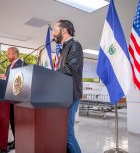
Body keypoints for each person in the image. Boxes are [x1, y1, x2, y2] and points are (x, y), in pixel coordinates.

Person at [52, 20, 83, 153]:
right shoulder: (64, 47)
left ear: (63, 30)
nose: (53, 33)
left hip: (71, 95)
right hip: (63, 95)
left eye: (55, 29)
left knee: (67, 133)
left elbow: (70, 68)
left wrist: (51, 73)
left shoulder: (75, 46)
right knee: (63, 132)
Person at [0, 47, 26, 152]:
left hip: (18, 99)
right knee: (12, 120)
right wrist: (4, 77)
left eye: (9, 53)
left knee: (17, 121)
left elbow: (21, 80)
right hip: (9, 98)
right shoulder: (9, 66)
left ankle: (19, 141)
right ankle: (16, 140)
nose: (7, 55)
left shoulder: (23, 64)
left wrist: (6, 78)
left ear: (15, 54)